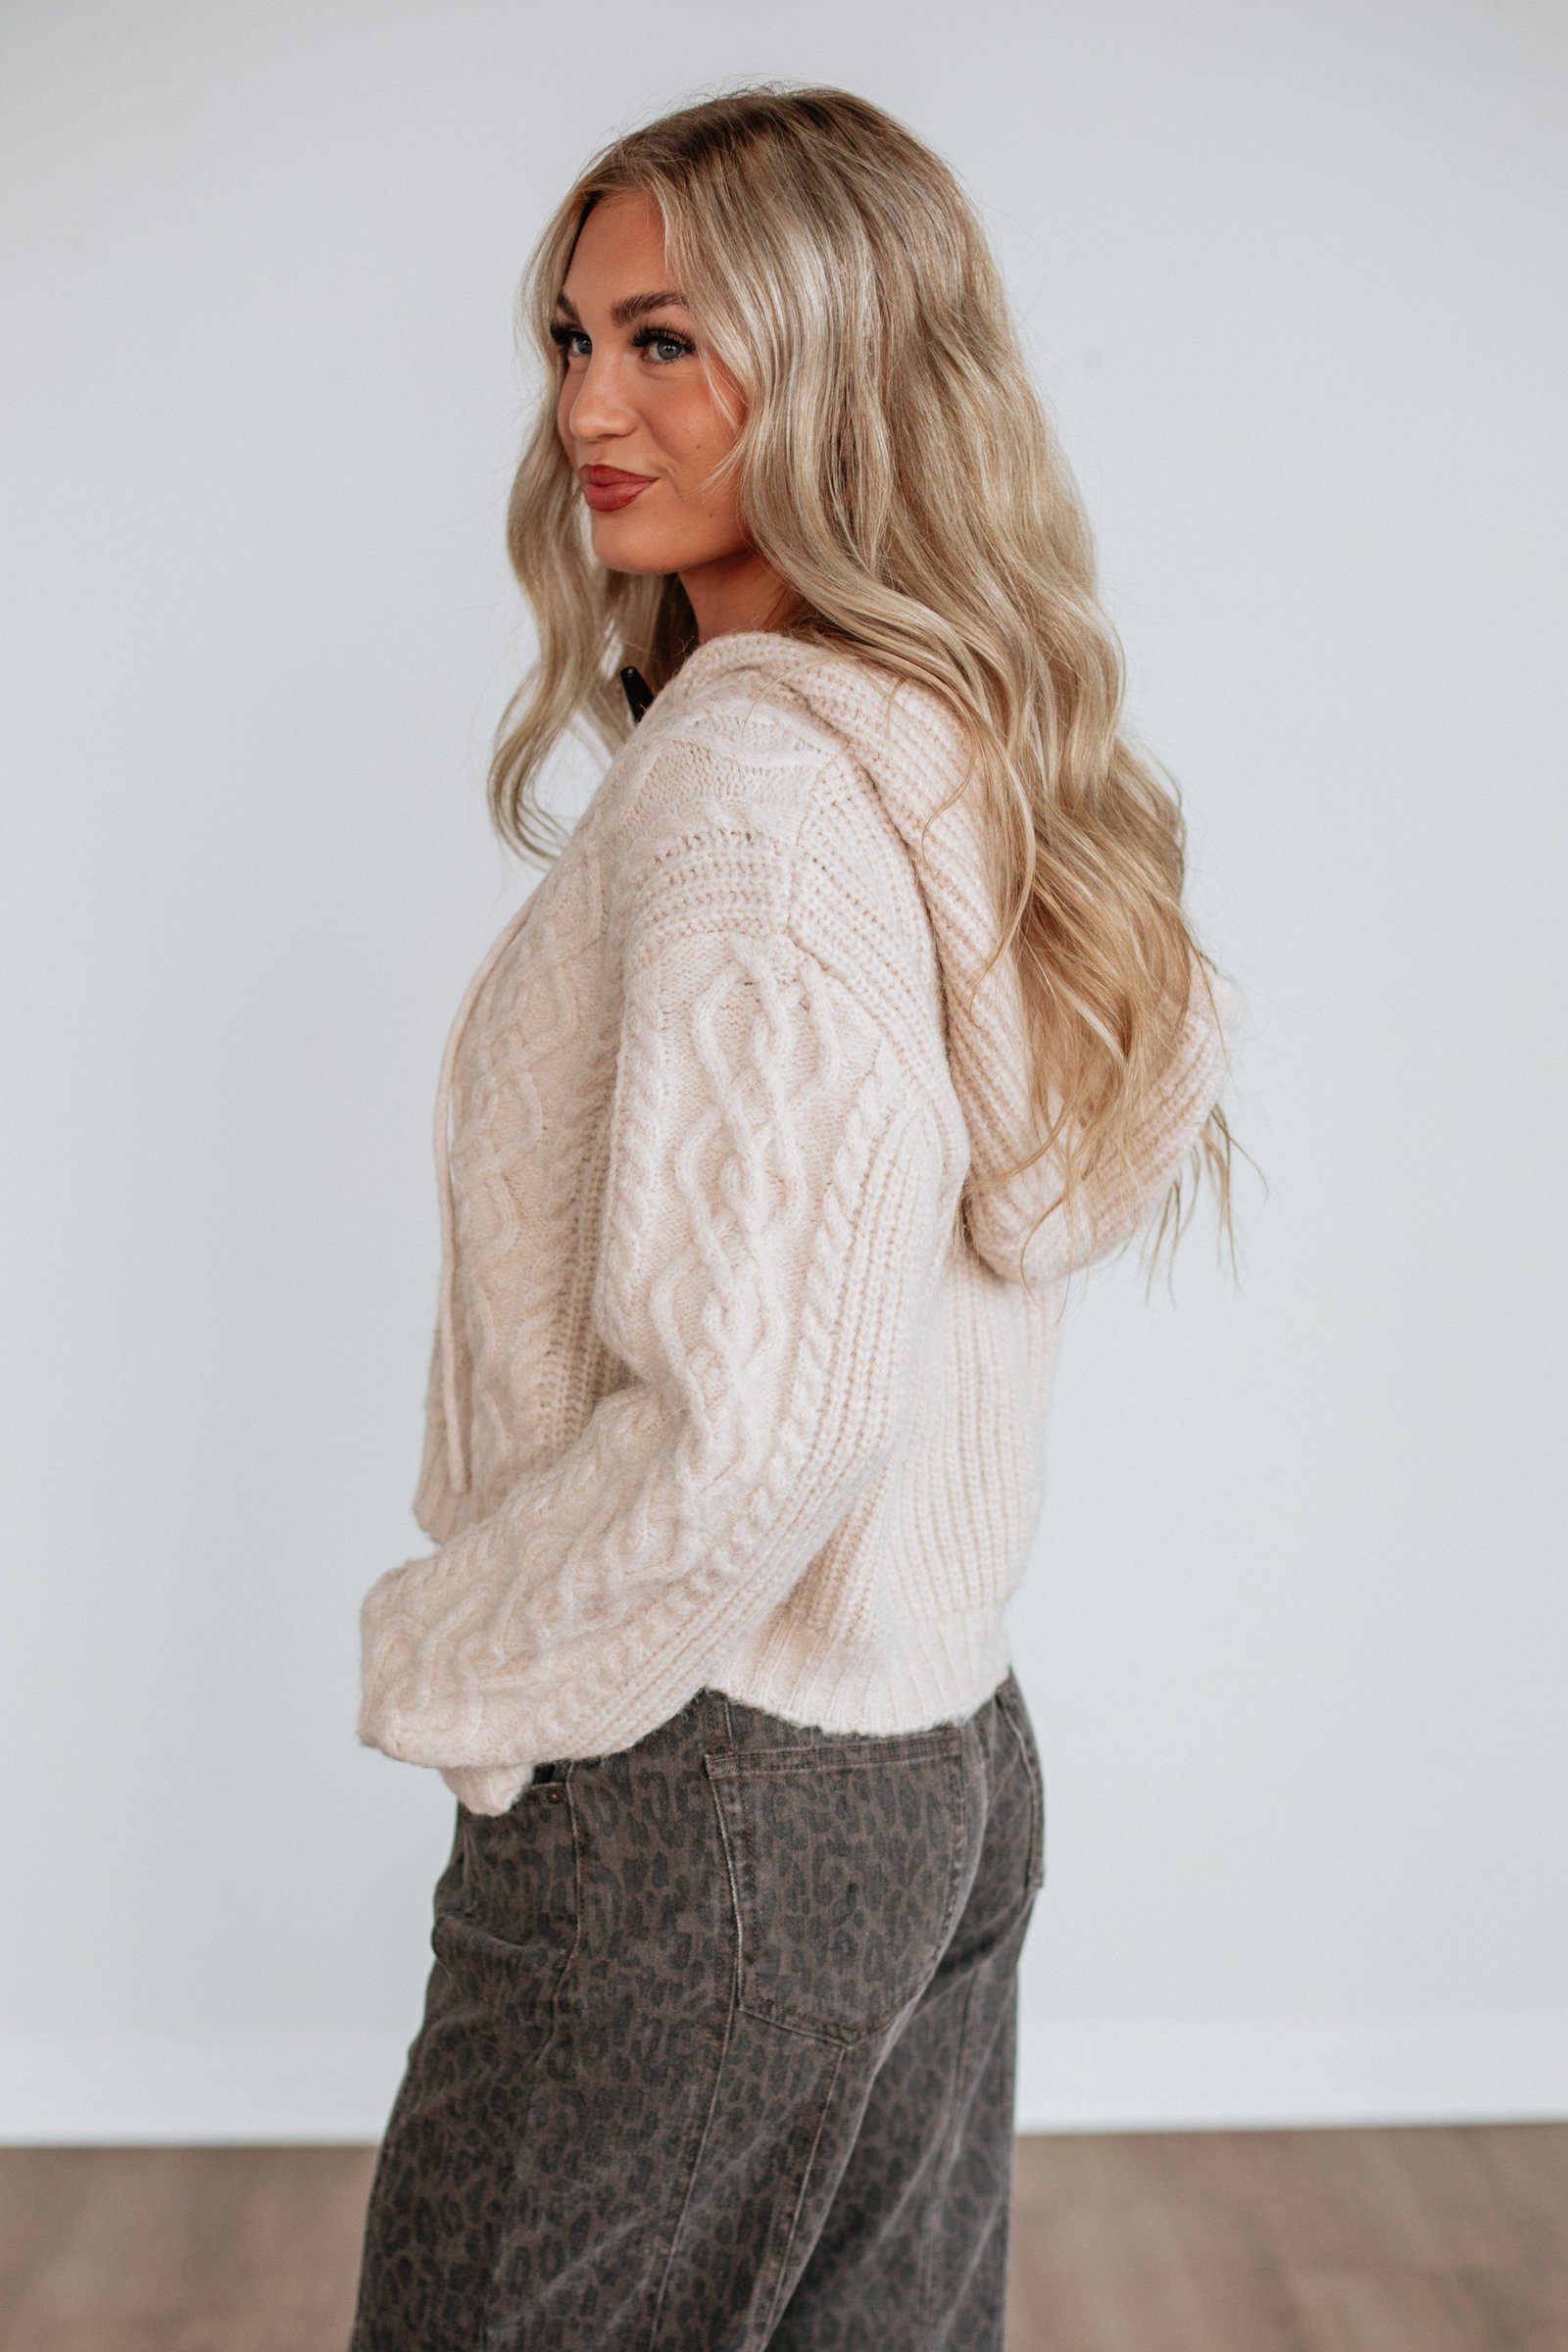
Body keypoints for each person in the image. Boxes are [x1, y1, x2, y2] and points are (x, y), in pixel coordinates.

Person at [348, 81, 1246, 2352]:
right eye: (573, 340)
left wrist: (463, 1654)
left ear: (845, 364)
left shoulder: (751, 790)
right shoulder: (957, 752)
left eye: (665, 341)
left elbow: (762, 1416)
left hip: (703, 1787)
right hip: (934, 1762)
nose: (586, 410)